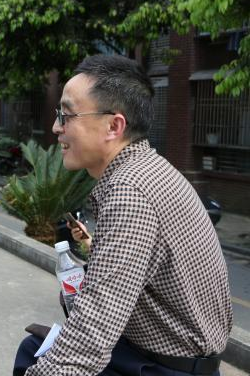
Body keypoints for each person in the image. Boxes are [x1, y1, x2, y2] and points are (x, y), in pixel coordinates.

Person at [13, 54, 232, 376]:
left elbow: (90, 338)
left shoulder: (130, 192)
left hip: (165, 368)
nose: (56, 127)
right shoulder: (144, 169)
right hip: (155, 353)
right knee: (34, 347)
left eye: (66, 115)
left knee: (37, 358)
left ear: (114, 126)